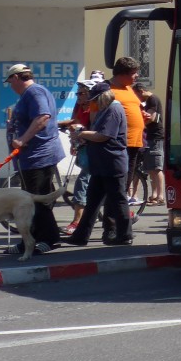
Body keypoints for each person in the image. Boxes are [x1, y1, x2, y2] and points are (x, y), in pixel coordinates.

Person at [3, 63, 64, 255]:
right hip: (32, 157)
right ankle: (30, 240)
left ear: (16, 78)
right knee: (32, 199)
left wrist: (22, 139)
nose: (10, 85)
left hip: (39, 155)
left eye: (10, 81)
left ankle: (50, 239)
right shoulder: (29, 94)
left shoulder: (34, 92)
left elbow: (42, 117)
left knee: (36, 199)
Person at [63, 81, 132, 246]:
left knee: (118, 200)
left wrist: (81, 133)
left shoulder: (114, 109)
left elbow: (103, 136)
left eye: (95, 99)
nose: (92, 102)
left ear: (104, 97)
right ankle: (81, 236)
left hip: (112, 162)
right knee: (92, 201)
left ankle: (125, 235)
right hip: (101, 163)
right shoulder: (104, 109)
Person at [58, 80, 96, 234]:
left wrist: (80, 132)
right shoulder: (81, 106)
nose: (77, 96)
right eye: (77, 93)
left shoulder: (94, 109)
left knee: (82, 183)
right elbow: (76, 121)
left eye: (81, 93)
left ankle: (77, 222)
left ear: (90, 94)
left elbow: (93, 129)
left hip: (93, 150)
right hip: (83, 148)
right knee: (95, 186)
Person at [109, 57, 146, 204]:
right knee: (118, 184)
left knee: (125, 183)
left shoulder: (128, 88)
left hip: (135, 142)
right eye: (134, 73)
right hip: (120, 143)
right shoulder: (108, 89)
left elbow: (133, 108)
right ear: (122, 74)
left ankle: (117, 215)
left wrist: (143, 116)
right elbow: (96, 114)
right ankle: (117, 217)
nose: (137, 76)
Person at [135, 82, 165, 207]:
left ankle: (160, 196)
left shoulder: (153, 99)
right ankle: (154, 195)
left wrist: (138, 124)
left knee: (157, 168)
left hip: (155, 137)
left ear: (141, 90)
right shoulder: (149, 102)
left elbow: (152, 118)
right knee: (151, 168)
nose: (138, 98)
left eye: (137, 95)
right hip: (150, 137)